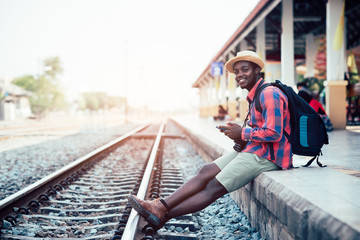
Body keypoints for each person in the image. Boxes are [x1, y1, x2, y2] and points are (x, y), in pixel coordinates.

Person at [128, 50, 292, 229]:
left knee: (214, 186)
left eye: (245, 69)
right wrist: (240, 138)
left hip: (269, 156)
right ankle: (159, 206)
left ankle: (163, 214)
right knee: (206, 171)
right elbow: (260, 129)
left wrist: (242, 133)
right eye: (236, 72)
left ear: (257, 70)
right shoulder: (255, 95)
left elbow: (274, 133)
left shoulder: (269, 93)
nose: (239, 75)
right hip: (254, 149)